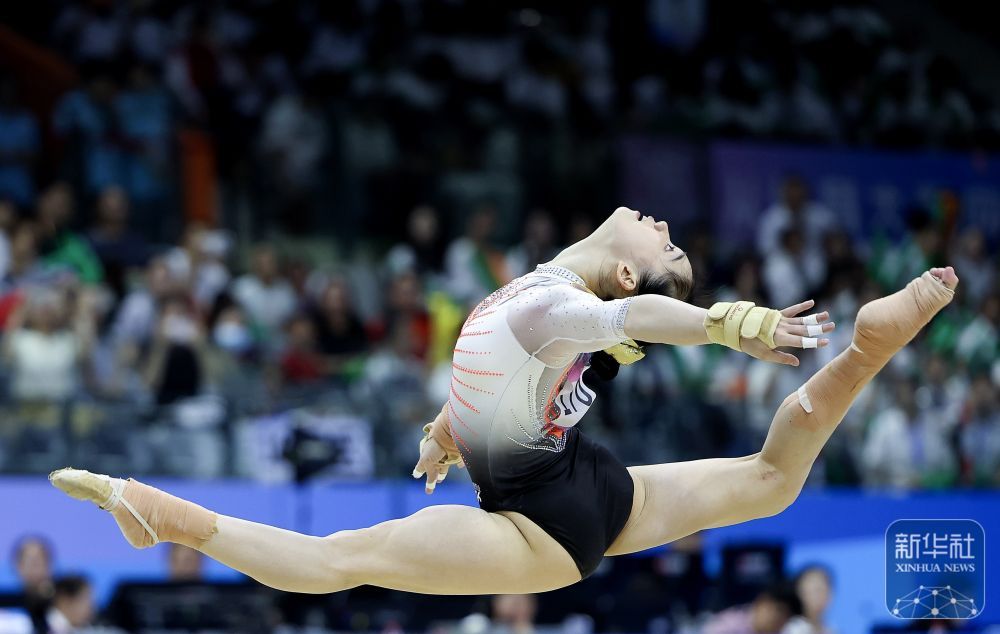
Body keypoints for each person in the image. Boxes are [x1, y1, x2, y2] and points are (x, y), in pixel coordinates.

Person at [51, 207, 957, 598]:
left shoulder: (557, 303)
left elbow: (628, 314)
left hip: (541, 529)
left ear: (630, 265)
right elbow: (528, 373)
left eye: (664, 239)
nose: (662, 228)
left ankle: (162, 515)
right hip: (590, 486)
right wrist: (450, 430)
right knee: (770, 481)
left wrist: (732, 324)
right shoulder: (531, 298)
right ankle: (867, 356)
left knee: (337, 561)